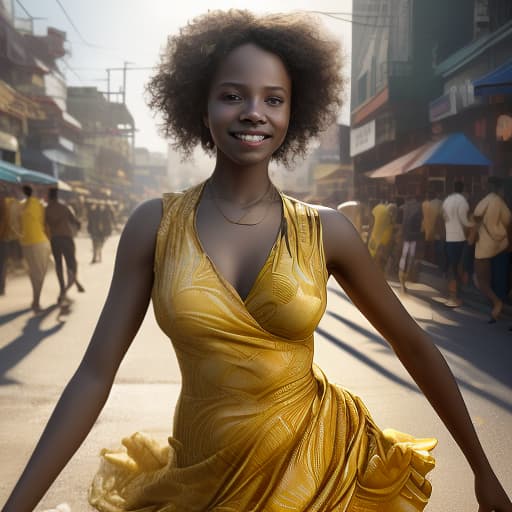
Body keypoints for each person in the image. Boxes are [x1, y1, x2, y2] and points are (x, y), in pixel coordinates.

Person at [3, 10, 511, 512]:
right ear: (202, 108)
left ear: (294, 113)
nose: (254, 112)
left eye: (274, 99)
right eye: (232, 95)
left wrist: (483, 470)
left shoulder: (325, 230)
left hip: (323, 476)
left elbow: (413, 344)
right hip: (201, 485)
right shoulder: (153, 225)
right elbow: (95, 373)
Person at [473, 178, 512, 323]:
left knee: (484, 280)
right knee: (498, 279)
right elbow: (508, 220)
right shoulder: (500, 203)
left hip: (484, 247)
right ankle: (497, 307)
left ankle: (496, 306)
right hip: (499, 246)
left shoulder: (484, 201)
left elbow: (476, 219)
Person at [45, 187, 85, 303]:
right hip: (66, 238)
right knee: (71, 263)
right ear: (57, 196)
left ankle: (62, 288)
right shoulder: (65, 207)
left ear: (48, 197)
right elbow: (76, 222)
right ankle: (72, 282)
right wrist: (78, 226)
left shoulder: (46, 210)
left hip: (54, 239)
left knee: (58, 264)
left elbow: (44, 225)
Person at [18, 184, 51, 313]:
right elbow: (45, 223)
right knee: (40, 273)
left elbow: (17, 225)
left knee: (33, 272)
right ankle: (36, 301)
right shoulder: (38, 205)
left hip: (25, 242)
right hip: (39, 242)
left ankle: (35, 299)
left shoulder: (21, 206)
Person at [442, 181, 473, 307]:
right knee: (459, 266)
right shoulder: (463, 202)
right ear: (463, 189)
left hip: (449, 237)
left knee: (452, 266)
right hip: (460, 239)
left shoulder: (447, 201)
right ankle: (454, 297)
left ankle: (452, 296)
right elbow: (466, 221)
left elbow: (443, 218)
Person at [398, 195, 423, 293]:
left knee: (404, 255)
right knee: (411, 256)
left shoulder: (403, 207)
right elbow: (420, 221)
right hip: (414, 235)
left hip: (405, 234)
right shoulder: (418, 207)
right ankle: (406, 276)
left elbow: (401, 222)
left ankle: (402, 280)